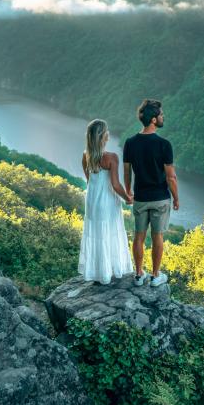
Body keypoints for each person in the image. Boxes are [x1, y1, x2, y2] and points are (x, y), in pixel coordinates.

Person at [123, 99, 179, 287]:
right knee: (158, 237)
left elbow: (127, 171)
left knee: (138, 236)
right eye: (161, 115)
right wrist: (177, 198)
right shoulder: (164, 145)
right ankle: (155, 276)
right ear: (154, 120)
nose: (164, 117)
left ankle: (139, 275)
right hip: (160, 198)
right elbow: (171, 177)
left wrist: (128, 191)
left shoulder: (130, 143)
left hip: (140, 198)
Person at [78, 119, 134, 285]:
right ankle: (110, 270)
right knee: (109, 232)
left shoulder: (85, 156)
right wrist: (127, 199)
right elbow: (116, 185)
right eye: (107, 131)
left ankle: (97, 272)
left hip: (92, 200)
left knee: (96, 233)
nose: (109, 133)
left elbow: (90, 181)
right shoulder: (111, 157)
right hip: (107, 201)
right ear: (103, 136)